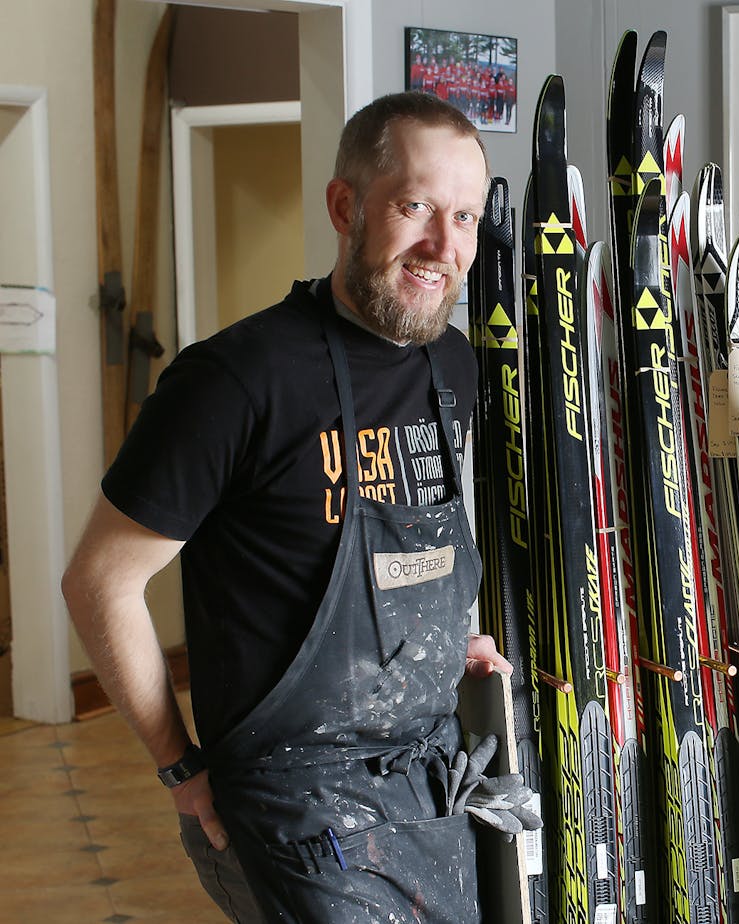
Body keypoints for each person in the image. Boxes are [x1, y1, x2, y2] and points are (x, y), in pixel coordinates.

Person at [62, 92, 531, 923]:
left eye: (464, 218)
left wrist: (444, 635)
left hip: (430, 785)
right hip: (296, 813)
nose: (443, 246)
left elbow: (399, 542)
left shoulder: (452, 368)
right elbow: (99, 581)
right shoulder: (237, 380)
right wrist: (179, 768)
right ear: (345, 206)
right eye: (416, 206)